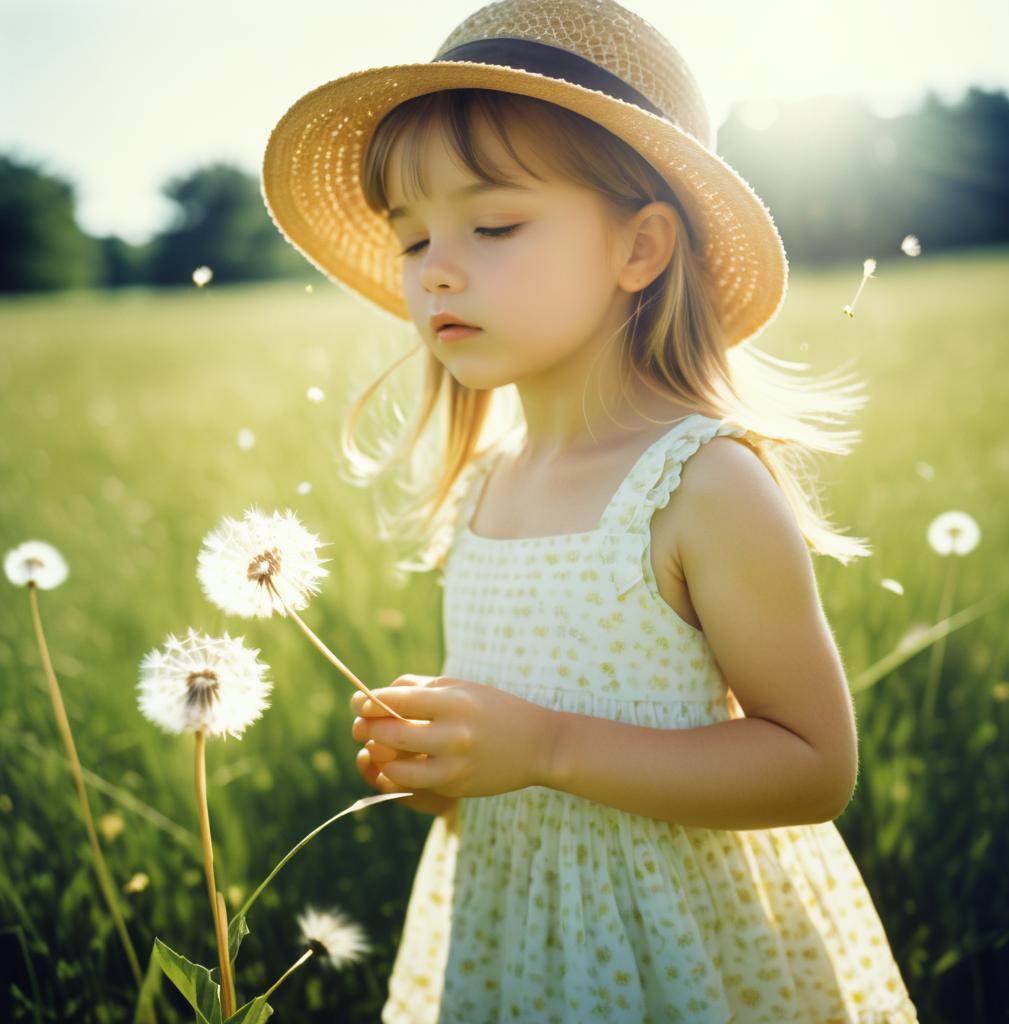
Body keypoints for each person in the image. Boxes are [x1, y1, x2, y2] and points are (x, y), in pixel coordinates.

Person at [261, 1, 919, 1020]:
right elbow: (508, 747)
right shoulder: (486, 486)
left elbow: (813, 764)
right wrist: (444, 765)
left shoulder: (700, 483)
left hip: (680, 946)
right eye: (412, 236)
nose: (435, 265)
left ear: (640, 249)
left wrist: (548, 749)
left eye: (494, 224)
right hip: (514, 937)